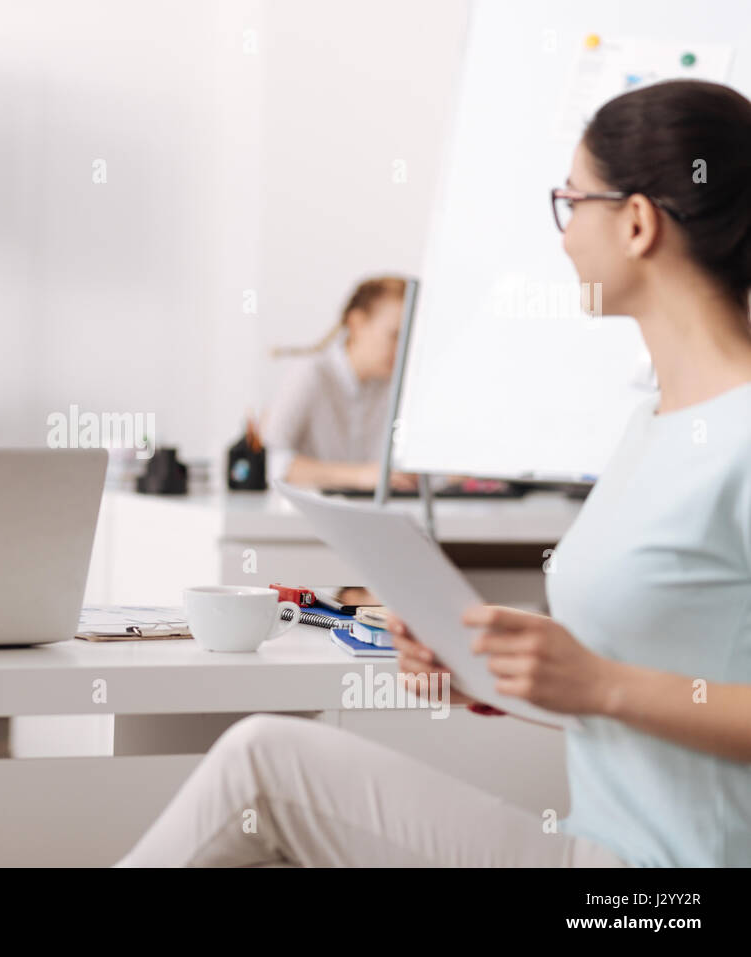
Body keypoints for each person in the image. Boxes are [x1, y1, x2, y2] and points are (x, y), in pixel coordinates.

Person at [118, 78, 751, 867]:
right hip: (604, 857)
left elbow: (612, 686)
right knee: (262, 760)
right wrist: (493, 670)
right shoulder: (650, 423)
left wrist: (597, 685)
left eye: (571, 200)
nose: (561, 236)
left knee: (261, 766)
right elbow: (640, 678)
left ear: (635, 221)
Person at [262, 276, 418, 492]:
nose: (403, 349)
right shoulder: (312, 375)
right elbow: (270, 461)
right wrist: (360, 476)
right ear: (357, 324)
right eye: (395, 336)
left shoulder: (399, 387)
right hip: (303, 518)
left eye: (410, 338)